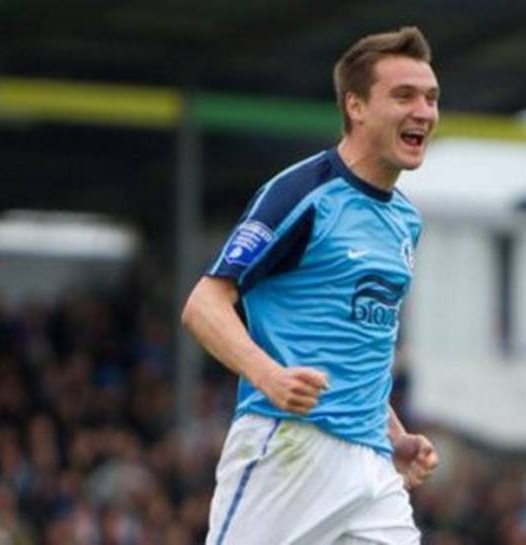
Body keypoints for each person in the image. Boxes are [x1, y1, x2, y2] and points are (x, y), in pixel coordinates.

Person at [181, 26, 440, 545]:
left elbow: (354, 345)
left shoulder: (405, 220)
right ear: (356, 106)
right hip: (289, 448)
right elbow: (203, 304)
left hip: (371, 468)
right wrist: (270, 376)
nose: (424, 112)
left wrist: (394, 435)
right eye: (404, 96)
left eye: (431, 98)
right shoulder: (303, 193)